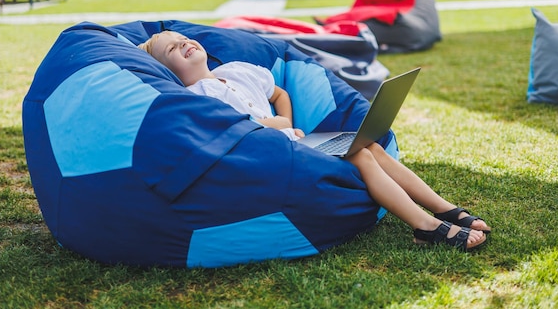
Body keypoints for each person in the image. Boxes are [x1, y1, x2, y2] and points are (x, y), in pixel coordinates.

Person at [138, 31, 491, 251]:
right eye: (172, 49)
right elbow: (228, 128)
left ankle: (444, 209)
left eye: (183, 38)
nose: (183, 43)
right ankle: (425, 227)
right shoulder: (194, 97)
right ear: (169, 71)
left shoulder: (236, 71)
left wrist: (287, 124)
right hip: (264, 155)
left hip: (290, 141)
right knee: (362, 158)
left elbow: (279, 93)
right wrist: (274, 125)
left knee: (371, 147)